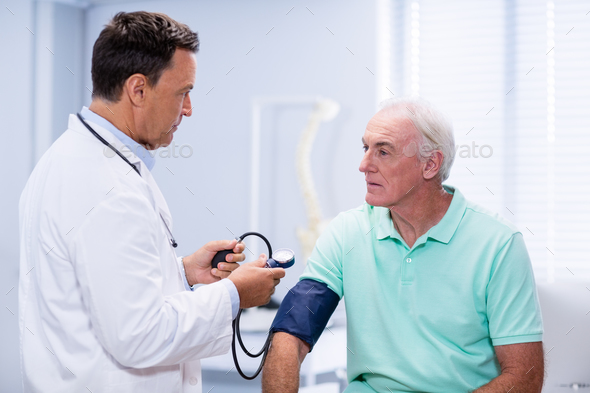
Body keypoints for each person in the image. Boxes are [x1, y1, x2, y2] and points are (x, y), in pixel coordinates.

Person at [18, 11, 285, 393]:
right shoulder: (103, 186)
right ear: (138, 90)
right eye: (183, 92)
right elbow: (138, 335)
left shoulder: (77, 161)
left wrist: (183, 273)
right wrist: (234, 295)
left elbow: (100, 284)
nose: (189, 109)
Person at [262, 97, 544, 392]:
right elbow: (291, 331)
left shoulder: (498, 244)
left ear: (430, 164)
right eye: (365, 148)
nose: (363, 165)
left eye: (383, 152)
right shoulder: (346, 232)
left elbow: (525, 376)